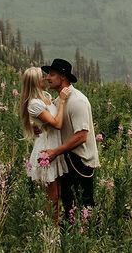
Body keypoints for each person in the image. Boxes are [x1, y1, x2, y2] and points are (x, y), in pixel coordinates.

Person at [41, 58, 100, 217]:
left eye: (52, 74)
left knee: (84, 206)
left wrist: (55, 152)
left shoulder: (77, 101)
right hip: (68, 159)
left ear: (63, 77)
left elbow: (81, 136)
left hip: (81, 161)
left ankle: (92, 236)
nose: (48, 78)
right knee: (69, 206)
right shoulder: (61, 99)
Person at [20, 66, 71, 221]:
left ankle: (54, 227)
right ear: (35, 81)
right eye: (42, 77)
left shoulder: (46, 97)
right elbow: (56, 123)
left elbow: (49, 115)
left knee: (58, 193)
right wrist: (62, 101)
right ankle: (51, 231)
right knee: (52, 195)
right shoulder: (34, 104)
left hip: (54, 146)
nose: (46, 78)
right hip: (46, 150)